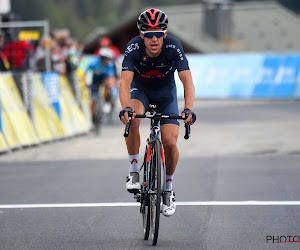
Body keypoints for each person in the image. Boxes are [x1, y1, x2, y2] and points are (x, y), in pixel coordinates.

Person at [119, 8, 196, 217]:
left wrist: (188, 108)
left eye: (159, 33)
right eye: (149, 33)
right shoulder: (133, 47)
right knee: (133, 120)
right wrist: (125, 107)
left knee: (170, 143)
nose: (154, 38)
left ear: (165, 33)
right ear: (141, 34)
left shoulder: (173, 46)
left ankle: (168, 189)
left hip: (165, 95)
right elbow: (125, 82)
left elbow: (187, 80)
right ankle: (134, 171)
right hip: (140, 91)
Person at [85, 47, 118, 122]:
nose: (106, 62)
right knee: (93, 96)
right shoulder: (94, 62)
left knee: (108, 85)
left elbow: (111, 76)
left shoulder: (110, 64)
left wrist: (111, 85)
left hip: (104, 78)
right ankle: (92, 114)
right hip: (94, 78)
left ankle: (107, 101)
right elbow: (87, 72)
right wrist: (87, 81)